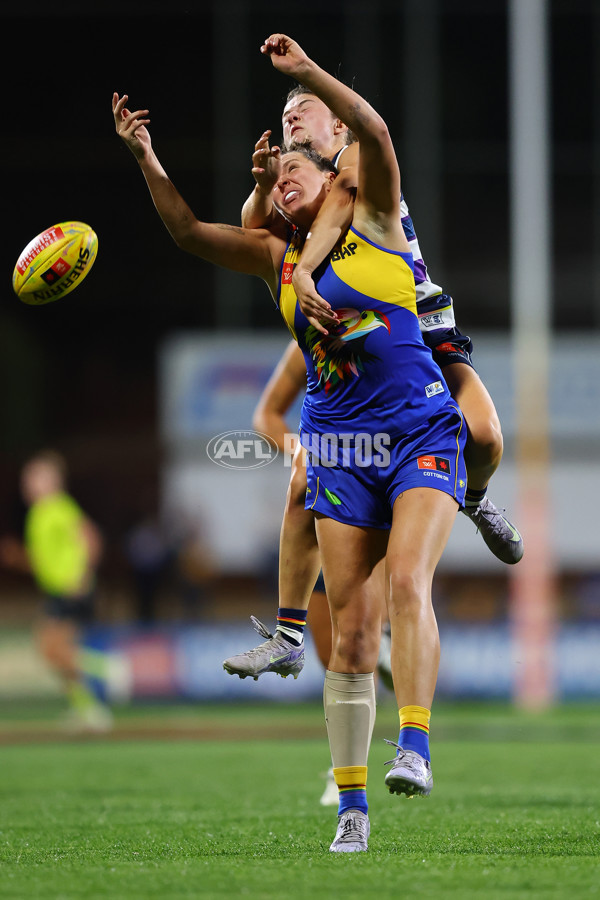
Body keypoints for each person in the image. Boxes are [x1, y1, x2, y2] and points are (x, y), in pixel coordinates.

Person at [113, 33, 467, 852]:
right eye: (284, 162)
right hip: (343, 445)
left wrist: (308, 76)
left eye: (306, 154)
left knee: (410, 580)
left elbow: (372, 137)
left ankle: (412, 747)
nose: (291, 164)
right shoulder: (278, 256)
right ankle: (351, 806)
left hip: (416, 425)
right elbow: (188, 234)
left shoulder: (373, 217)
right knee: (347, 635)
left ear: (330, 170)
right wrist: (146, 156)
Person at [223, 75, 522, 687]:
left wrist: (305, 69)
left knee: (486, 435)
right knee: (312, 476)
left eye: (305, 109)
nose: (293, 121)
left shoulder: (353, 159)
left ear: (338, 125)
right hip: (352, 337)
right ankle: (303, 635)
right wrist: (260, 186)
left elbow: (343, 192)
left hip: (421, 322)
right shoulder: (294, 183)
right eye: (285, 118)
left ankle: (474, 498)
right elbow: (256, 228)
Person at [0, 450, 112, 732]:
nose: (28, 483)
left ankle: (107, 670)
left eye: (35, 477)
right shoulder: (38, 514)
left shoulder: (58, 507)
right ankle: (87, 708)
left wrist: (82, 574)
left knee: (51, 648)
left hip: (71, 591)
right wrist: (18, 557)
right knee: (55, 652)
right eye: (27, 478)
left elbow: (91, 537)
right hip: (57, 591)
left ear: (53, 481)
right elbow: (43, 563)